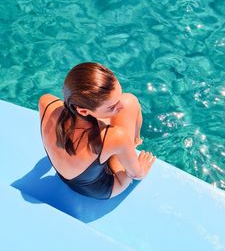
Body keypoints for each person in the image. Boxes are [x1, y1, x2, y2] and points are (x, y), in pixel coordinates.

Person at [39, 62, 156, 200]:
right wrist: (141, 168)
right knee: (130, 101)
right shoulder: (116, 137)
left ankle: (124, 144)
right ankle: (133, 142)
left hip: (67, 177)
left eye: (118, 98)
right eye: (112, 106)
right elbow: (135, 175)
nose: (121, 105)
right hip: (104, 188)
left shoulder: (46, 103)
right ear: (83, 110)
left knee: (124, 105)